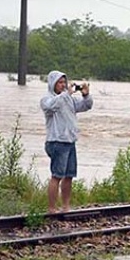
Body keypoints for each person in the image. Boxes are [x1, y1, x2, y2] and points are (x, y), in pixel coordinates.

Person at [40, 70, 93, 213]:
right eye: (60, 82)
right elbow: (51, 106)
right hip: (56, 141)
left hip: (70, 141)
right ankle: (51, 208)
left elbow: (86, 106)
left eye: (64, 82)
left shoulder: (68, 99)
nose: (63, 85)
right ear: (53, 84)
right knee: (56, 175)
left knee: (69, 175)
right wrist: (66, 93)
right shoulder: (47, 99)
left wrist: (86, 94)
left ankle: (65, 206)